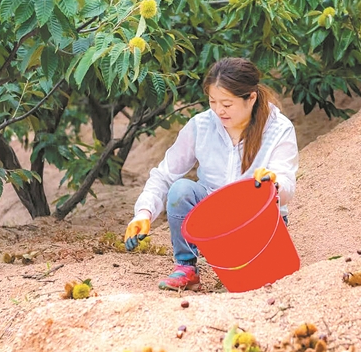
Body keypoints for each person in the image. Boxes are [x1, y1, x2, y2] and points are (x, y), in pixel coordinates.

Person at [123, 57, 299, 291]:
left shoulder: (278, 128)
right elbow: (164, 175)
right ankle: (186, 267)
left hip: (257, 223)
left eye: (227, 104)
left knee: (260, 280)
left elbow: (286, 184)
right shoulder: (201, 126)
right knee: (181, 190)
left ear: (251, 98)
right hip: (215, 222)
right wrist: (143, 213)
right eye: (212, 101)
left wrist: (273, 184)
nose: (218, 110)